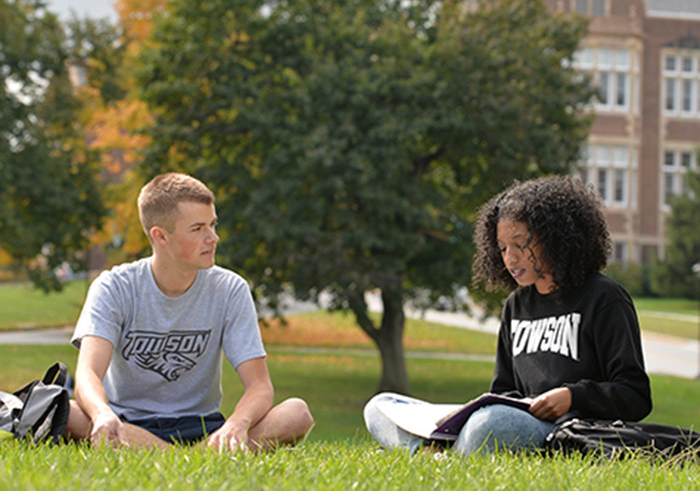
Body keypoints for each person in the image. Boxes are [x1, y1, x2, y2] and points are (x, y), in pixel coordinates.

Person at [364, 175, 651, 455]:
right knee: (380, 406)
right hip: (514, 420)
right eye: (502, 248)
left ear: (555, 238)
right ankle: (438, 448)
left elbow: (635, 396)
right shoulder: (516, 305)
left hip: (566, 431)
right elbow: (504, 391)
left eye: (520, 244)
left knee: (491, 424)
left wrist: (572, 396)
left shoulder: (604, 298)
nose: (510, 258)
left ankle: (433, 454)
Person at [65, 172, 314, 451]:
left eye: (213, 225)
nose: (213, 238)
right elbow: (87, 375)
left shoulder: (230, 289)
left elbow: (260, 386)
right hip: (126, 423)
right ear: (160, 236)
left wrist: (236, 425)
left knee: (297, 413)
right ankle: (199, 458)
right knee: (63, 410)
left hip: (203, 426)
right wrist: (101, 414)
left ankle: (172, 453)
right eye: (198, 229)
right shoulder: (113, 287)